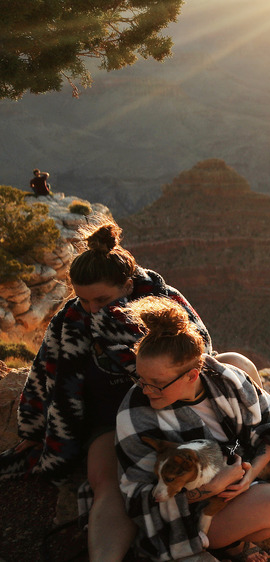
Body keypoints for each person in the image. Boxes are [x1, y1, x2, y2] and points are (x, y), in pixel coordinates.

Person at [0, 219, 256, 561]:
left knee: (238, 363)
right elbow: (45, 375)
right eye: (83, 299)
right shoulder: (70, 321)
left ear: (128, 284)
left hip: (174, 408)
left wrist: (121, 329)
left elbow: (200, 353)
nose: (91, 308)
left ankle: (246, 478)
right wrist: (32, 430)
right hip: (109, 421)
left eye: (102, 298)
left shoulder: (165, 303)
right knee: (109, 485)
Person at [117, 296, 270, 562]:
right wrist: (212, 488)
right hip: (187, 521)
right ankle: (225, 547)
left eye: (156, 383)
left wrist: (248, 476)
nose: (145, 389)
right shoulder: (136, 412)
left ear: (192, 375)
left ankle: (234, 545)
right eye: (140, 379)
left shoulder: (227, 381)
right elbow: (139, 500)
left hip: (248, 490)